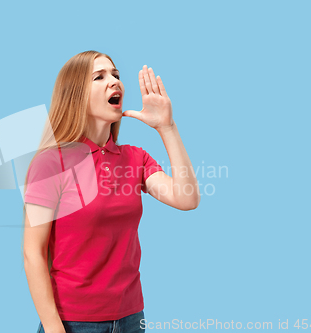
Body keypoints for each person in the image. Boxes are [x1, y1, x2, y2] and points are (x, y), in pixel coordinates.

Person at [22, 50, 200, 333]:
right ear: (76, 93)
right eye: (99, 76)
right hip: (74, 322)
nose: (114, 81)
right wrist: (54, 328)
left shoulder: (135, 158)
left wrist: (167, 127)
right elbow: (33, 252)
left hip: (131, 318)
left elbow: (187, 198)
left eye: (116, 75)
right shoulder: (51, 162)